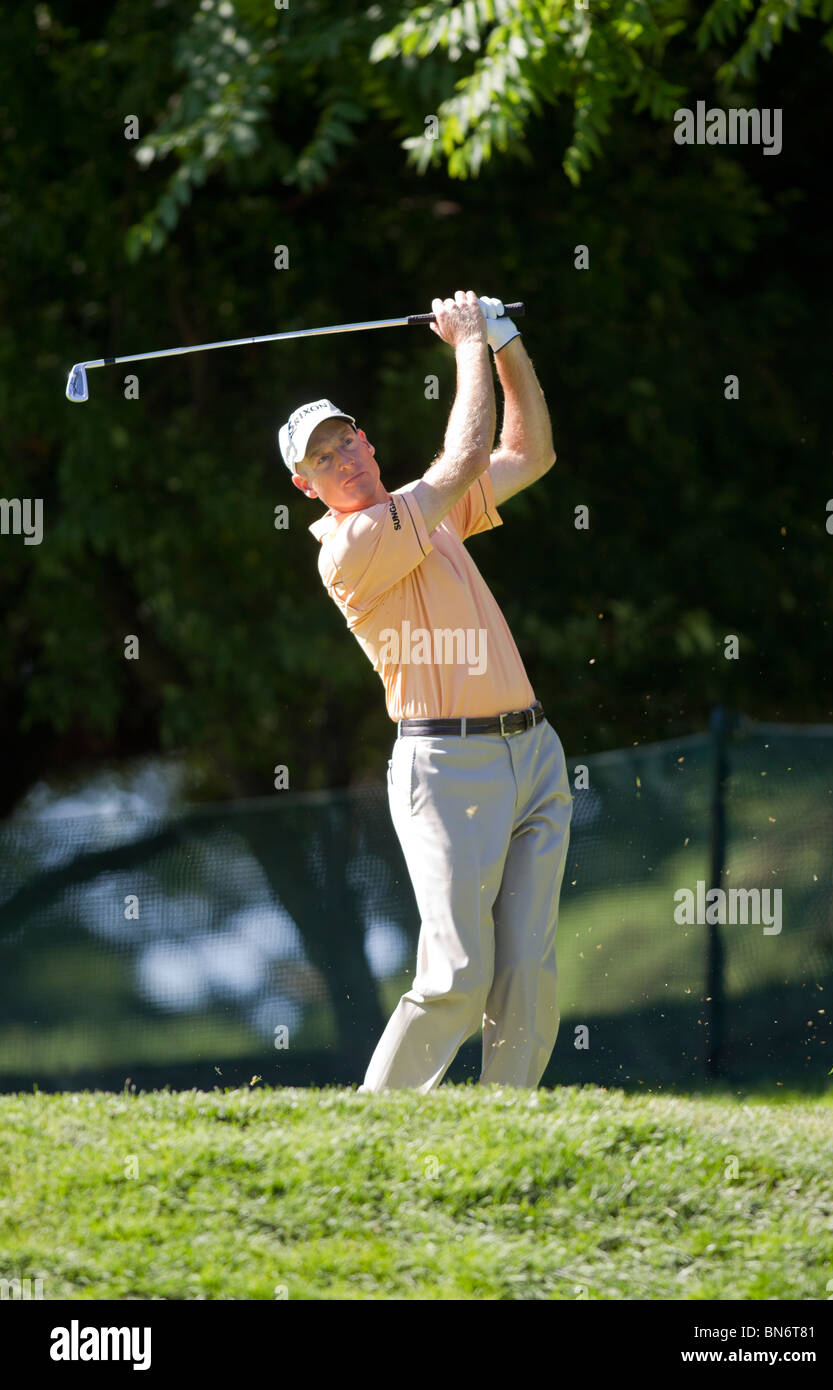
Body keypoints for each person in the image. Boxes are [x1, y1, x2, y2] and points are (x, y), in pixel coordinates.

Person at [278, 290, 572, 1092]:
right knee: (455, 977)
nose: (344, 459)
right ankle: (372, 1132)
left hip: (534, 754)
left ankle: (502, 1134)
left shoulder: (425, 513)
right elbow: (464, 456)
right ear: (308, 488)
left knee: (529, 974)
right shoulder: (354, 545)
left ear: (367, 440)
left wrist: (507, 341)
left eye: (347, 441)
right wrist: (468, 343)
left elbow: (528, 451)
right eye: (322, 460)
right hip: (447, 769)